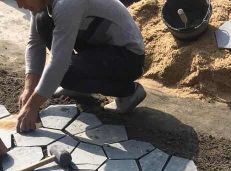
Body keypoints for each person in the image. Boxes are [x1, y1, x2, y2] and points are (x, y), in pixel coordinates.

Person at [17, 0, 146, 133]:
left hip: (128, 57)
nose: (20, 5)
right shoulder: (44, 2)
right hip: (99, 46)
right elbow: (35, 41)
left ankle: (129, 91)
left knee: (65, 73)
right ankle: (79, 83)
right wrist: (29, 89)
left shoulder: (67, 4)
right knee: (42, 19)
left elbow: (58, 63)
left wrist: (31, 106)